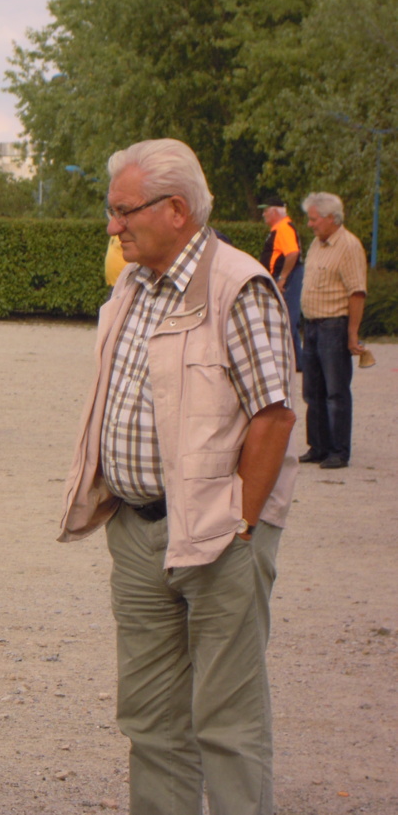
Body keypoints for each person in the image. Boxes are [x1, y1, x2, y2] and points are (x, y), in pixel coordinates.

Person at [60, 139, 298, 815]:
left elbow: (275, 417)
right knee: (152, 724)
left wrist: (241, 524)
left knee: (228, 724)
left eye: (122, 211)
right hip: (138, 534)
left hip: (221, 537)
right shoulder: (131, 286)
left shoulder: (239, 285)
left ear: (175, 209)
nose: (112, 225)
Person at [298, 191, 368, 469]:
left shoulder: (349, 246)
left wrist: (352, 333)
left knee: (335, 392)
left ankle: (339, 451)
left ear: (331, 218)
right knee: (312, 391)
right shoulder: (317, 243)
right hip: (312, 327)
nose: (310, 224)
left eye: (314, 219)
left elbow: (357, 292)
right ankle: (318, 446)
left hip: (333, 327)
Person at [258, 195, 304, 368]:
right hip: (286, 276)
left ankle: (287, 361)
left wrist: (282, 278)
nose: (263, 214)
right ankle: (299, 361)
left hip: (288, 277)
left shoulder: (283, 228)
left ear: (275, 211)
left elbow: (292, 253)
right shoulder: (279, 227)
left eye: (266, 211)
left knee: (287, 319)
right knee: (288, 318)